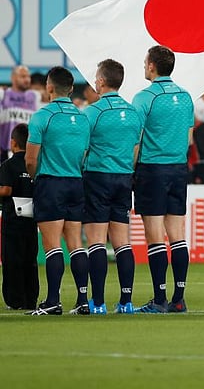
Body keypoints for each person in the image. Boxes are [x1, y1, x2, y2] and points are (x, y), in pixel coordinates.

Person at [132, 46, 194, 314]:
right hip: (178, 168)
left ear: (152, 66)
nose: (144, 66)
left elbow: (135, 140)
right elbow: (190, 138)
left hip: (152, 169)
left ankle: (159, 299)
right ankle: (178, 298)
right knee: (178, 235)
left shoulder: (144, 98)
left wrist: (130, 169)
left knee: (155, 236)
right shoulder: (186, 96)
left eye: (145, 62)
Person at [24, 66, 90, 315]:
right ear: (71, 89)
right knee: (75, 243)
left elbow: (30, 160)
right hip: (75, 182)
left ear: (49, 87)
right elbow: (84, 152)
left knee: (52, 245)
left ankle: (53, 301)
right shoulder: (82, 117)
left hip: (51, 182)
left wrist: (35, 178)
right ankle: (83, 300)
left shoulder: (42, 116)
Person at [82, 59, 142, 315]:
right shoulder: (132, 113)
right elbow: (135, 150)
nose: (94, 81)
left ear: (103, 81)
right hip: (123, 177)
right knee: (122, 242)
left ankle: (97, 303)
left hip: (97, 176)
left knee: (96, 240)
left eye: (96, 77)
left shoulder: (92, 112)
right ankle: (126, 302)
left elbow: (82, 149)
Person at [0, 123, 38, 311]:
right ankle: (31, 298)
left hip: (12, 220)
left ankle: (15, 300)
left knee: (12, 260)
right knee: (30, 259)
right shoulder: (35, 163)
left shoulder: (8, 165)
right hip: (32, 220)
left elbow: (6, 190)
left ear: (13, 142)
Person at [0, 65, 42, 162]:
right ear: (13, 78)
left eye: (28, 76)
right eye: (23, 76)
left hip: (29, 152)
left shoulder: (35, 96)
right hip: (6, 151)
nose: (27, 80)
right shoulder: (4, 94)